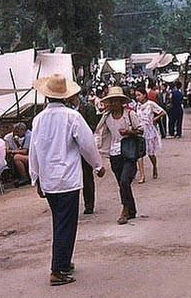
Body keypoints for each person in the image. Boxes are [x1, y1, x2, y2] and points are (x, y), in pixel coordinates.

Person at [29, 74, 106, 286]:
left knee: (59, 222)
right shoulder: (72, 117)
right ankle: (58, 269)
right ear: (65, 96)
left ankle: (64, 260)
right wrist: (98, 165)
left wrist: (35, 178)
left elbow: (33, 151)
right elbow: (87, 144)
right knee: (67, 224)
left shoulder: (38, 120)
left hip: (49, 180)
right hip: (68, 179)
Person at [94, 86, 143, 225]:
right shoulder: (106, 117)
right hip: (114, 153)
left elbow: (140, 130)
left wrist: (129, 132)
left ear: (121, 102)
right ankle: (131, 208)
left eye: (117, 101)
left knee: (124, 181)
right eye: (112, 101)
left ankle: (125, 210)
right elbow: (100, 133)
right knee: (121, 184)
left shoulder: (129, 114)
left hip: (128, 152)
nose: (114, 104)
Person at [67, 92, 102, 214]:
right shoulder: (67, 110)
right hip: (71, 149)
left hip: (83, 145)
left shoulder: (88, 108)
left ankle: (89, 204)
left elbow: (92, 126)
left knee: (87, 176)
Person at [134, 87, 167, 183]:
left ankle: (154, 166)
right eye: (136, 95)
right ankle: (142, 175)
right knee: (139, 154)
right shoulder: (137, 106)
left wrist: (154, 119)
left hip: (149, 131)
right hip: (140, 131)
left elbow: (163, 112)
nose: (137, 97)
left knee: (151, 153)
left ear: (144, 95)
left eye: (139, 95)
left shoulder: (151, 104)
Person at [4, 122, 32, 187]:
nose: (16, 134)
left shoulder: (29, 136)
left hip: (33, 157)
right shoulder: (25, 135)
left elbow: (25, 151)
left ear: (22, 130)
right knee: (13, 157)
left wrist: (12, 151)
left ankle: (24, 178)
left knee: (17, 157)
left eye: (17, 131)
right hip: (30, 156)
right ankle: (18, 176)